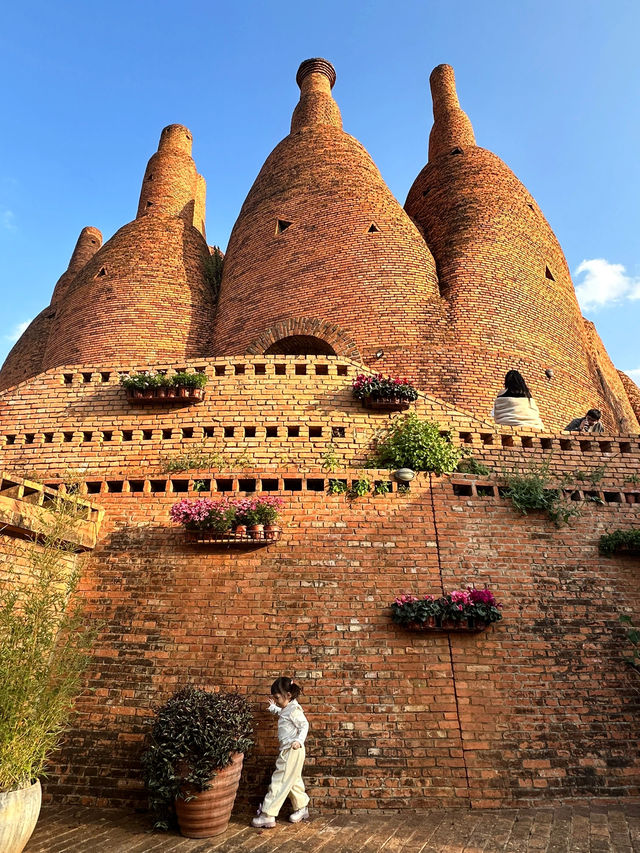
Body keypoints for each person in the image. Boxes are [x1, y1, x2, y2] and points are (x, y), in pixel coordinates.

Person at [251, 676, 310, 828]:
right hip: (292, 751)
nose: (276, 700)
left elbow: (304, 725)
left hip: (292, 749)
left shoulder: (294, 710)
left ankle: (268, 814)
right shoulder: (288, 708)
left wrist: (299, 740)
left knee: (279, 780)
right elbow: (283, 714)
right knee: (293, 780)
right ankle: (301, 807)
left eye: (277, 697)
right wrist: (273, 708)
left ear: (288, 696)